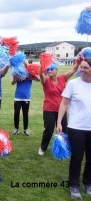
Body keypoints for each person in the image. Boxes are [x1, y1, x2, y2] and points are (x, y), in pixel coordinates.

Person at [57, 58, 91, 199]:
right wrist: (59, 122)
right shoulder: (73, 84)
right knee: (77, 157)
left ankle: (88, 183)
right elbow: (64, 104)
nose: (81, 70)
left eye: (85, 68)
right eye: (81, 67)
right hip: (76, 127)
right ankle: (74, 185)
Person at [38, 58, 79, 155]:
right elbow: (40, 75)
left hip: (62, 110)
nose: (50, 71)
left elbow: (74, 70)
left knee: (64, 129)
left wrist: (79, 60)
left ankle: (64, 147)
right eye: (48, 70)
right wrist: (42, 65)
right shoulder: (46, 81)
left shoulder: (62, 78)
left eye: (52, 69)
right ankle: (42, 148)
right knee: (49, 130)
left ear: (57, 70)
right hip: (49, 110)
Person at [11, 63, 40, 136]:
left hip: (26, 97)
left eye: (23, 65)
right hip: (17, 96)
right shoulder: (17, 73)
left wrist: (34, 73)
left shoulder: (30, 74)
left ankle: (25, 130)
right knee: (16, 113)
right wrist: (15, 80)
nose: (21, 66)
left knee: (25, 114)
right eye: (20, 65)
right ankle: (16, 129)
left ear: (26, 66)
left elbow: (39, 79)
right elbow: (12, 83)